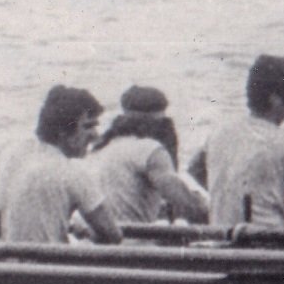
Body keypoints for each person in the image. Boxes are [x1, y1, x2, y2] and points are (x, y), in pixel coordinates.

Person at [199, 54, 284, 227]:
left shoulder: (220, 133)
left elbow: (195, 170)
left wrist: (232, 197)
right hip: (268, 244)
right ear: (275, 99)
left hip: (222, 238)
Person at [0, 86, 126, 243]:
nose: (95, 135)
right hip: (48, 265)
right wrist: (86, 233)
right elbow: (113, 235)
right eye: (87, 127)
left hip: (2, 262)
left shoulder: (10, 151)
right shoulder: (72, 173)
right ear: (63, 132)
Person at [89, 86, 210, 226]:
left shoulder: (100, 148)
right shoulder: (151, 150)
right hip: (135, 241)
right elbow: (185, 202)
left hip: (97, 241)